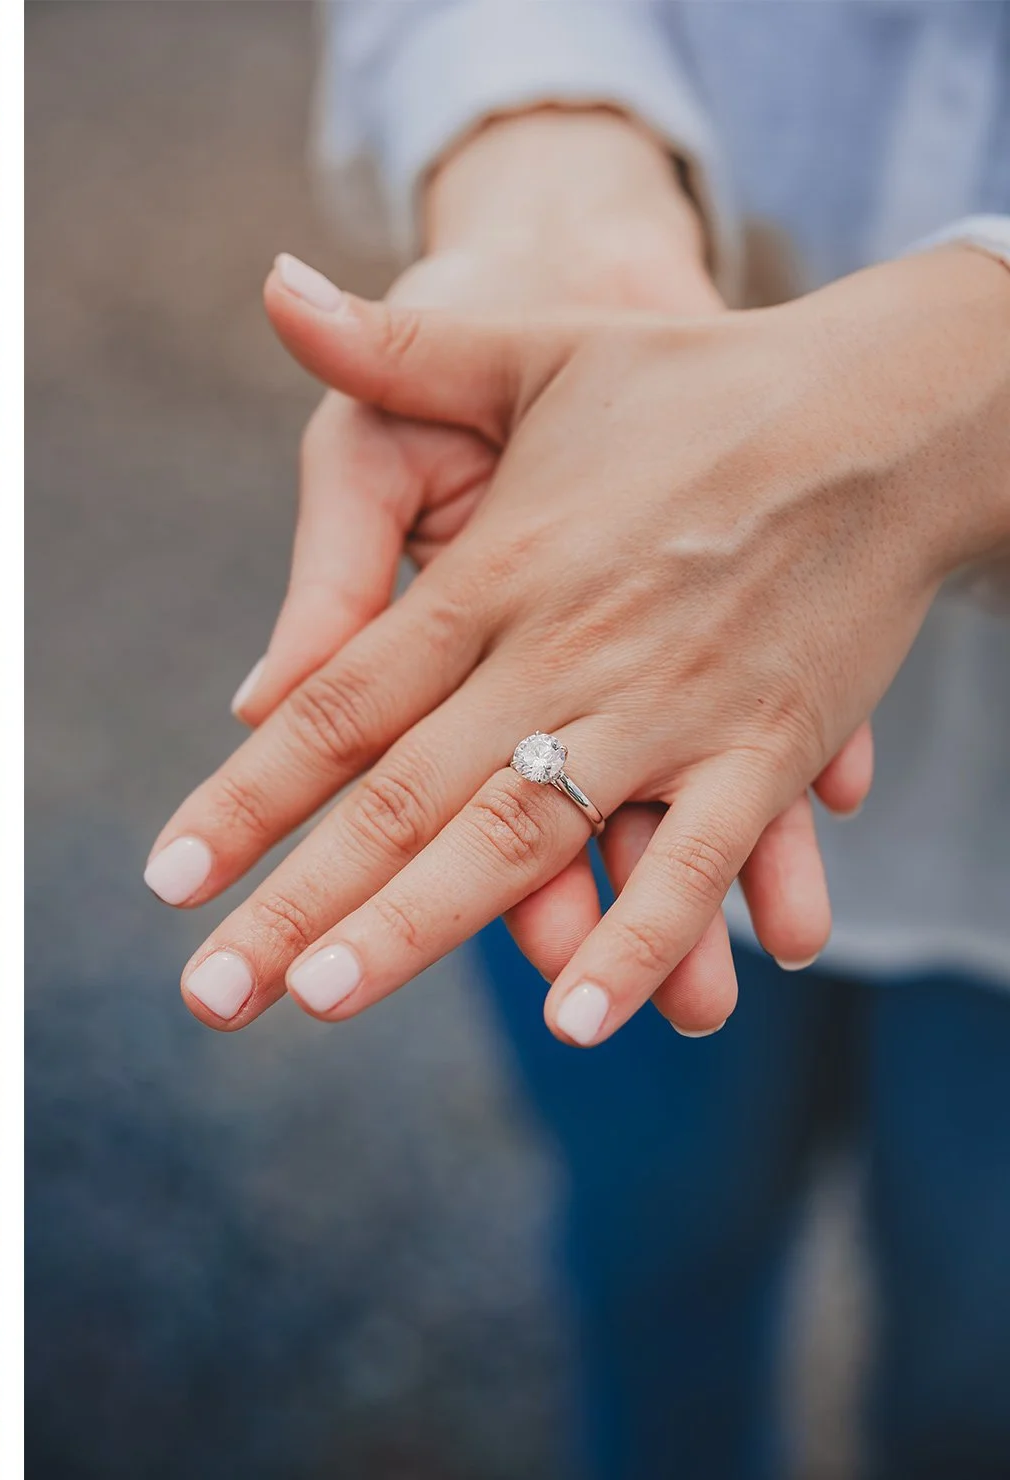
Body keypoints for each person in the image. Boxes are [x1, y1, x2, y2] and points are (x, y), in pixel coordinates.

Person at [144, 5, 1010, 1477]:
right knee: (654, 1250)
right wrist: (538, 156)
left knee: (977, 1364)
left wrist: (944, 397)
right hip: (586, 684)